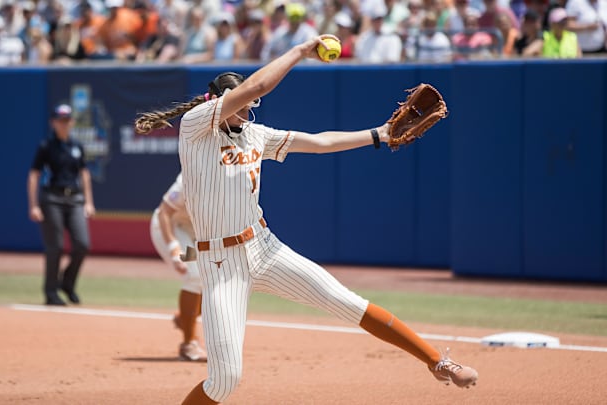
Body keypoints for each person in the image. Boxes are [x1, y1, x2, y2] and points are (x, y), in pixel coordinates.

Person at [135, 35, 479, 404]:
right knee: (224, 380)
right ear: (217, 101)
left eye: (251, 104)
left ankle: (437, 362)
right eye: (240, 102)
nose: (247, 108)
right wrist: (301, 50)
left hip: (264, 248)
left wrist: (377, 135)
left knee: (346, 302)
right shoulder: (196, 126)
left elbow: (320, 142)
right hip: (220, 265)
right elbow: (258, 83)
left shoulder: (256, 135)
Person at [28, 104, 95, 306]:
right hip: (52, 199)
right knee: (55, 246)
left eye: (67, 120)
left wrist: (89, 202)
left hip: (74, 199)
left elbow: (84, 173)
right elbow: (34, 175)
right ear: (53, 122)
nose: (64, 124)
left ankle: (67, 283)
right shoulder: (46, 146)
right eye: (60, 120)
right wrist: (33, 205)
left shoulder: (77, 146)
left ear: (72, 122)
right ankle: (50, 292)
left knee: (82, 244)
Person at [149, 173, 207, 361]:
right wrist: (174, 250)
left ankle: (184, 317)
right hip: (172, 229)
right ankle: (188, 344)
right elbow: (164, 213)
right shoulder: (192, 176)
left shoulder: (233, 179)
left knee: (215, 282)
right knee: (194, 276)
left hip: (195, 234)